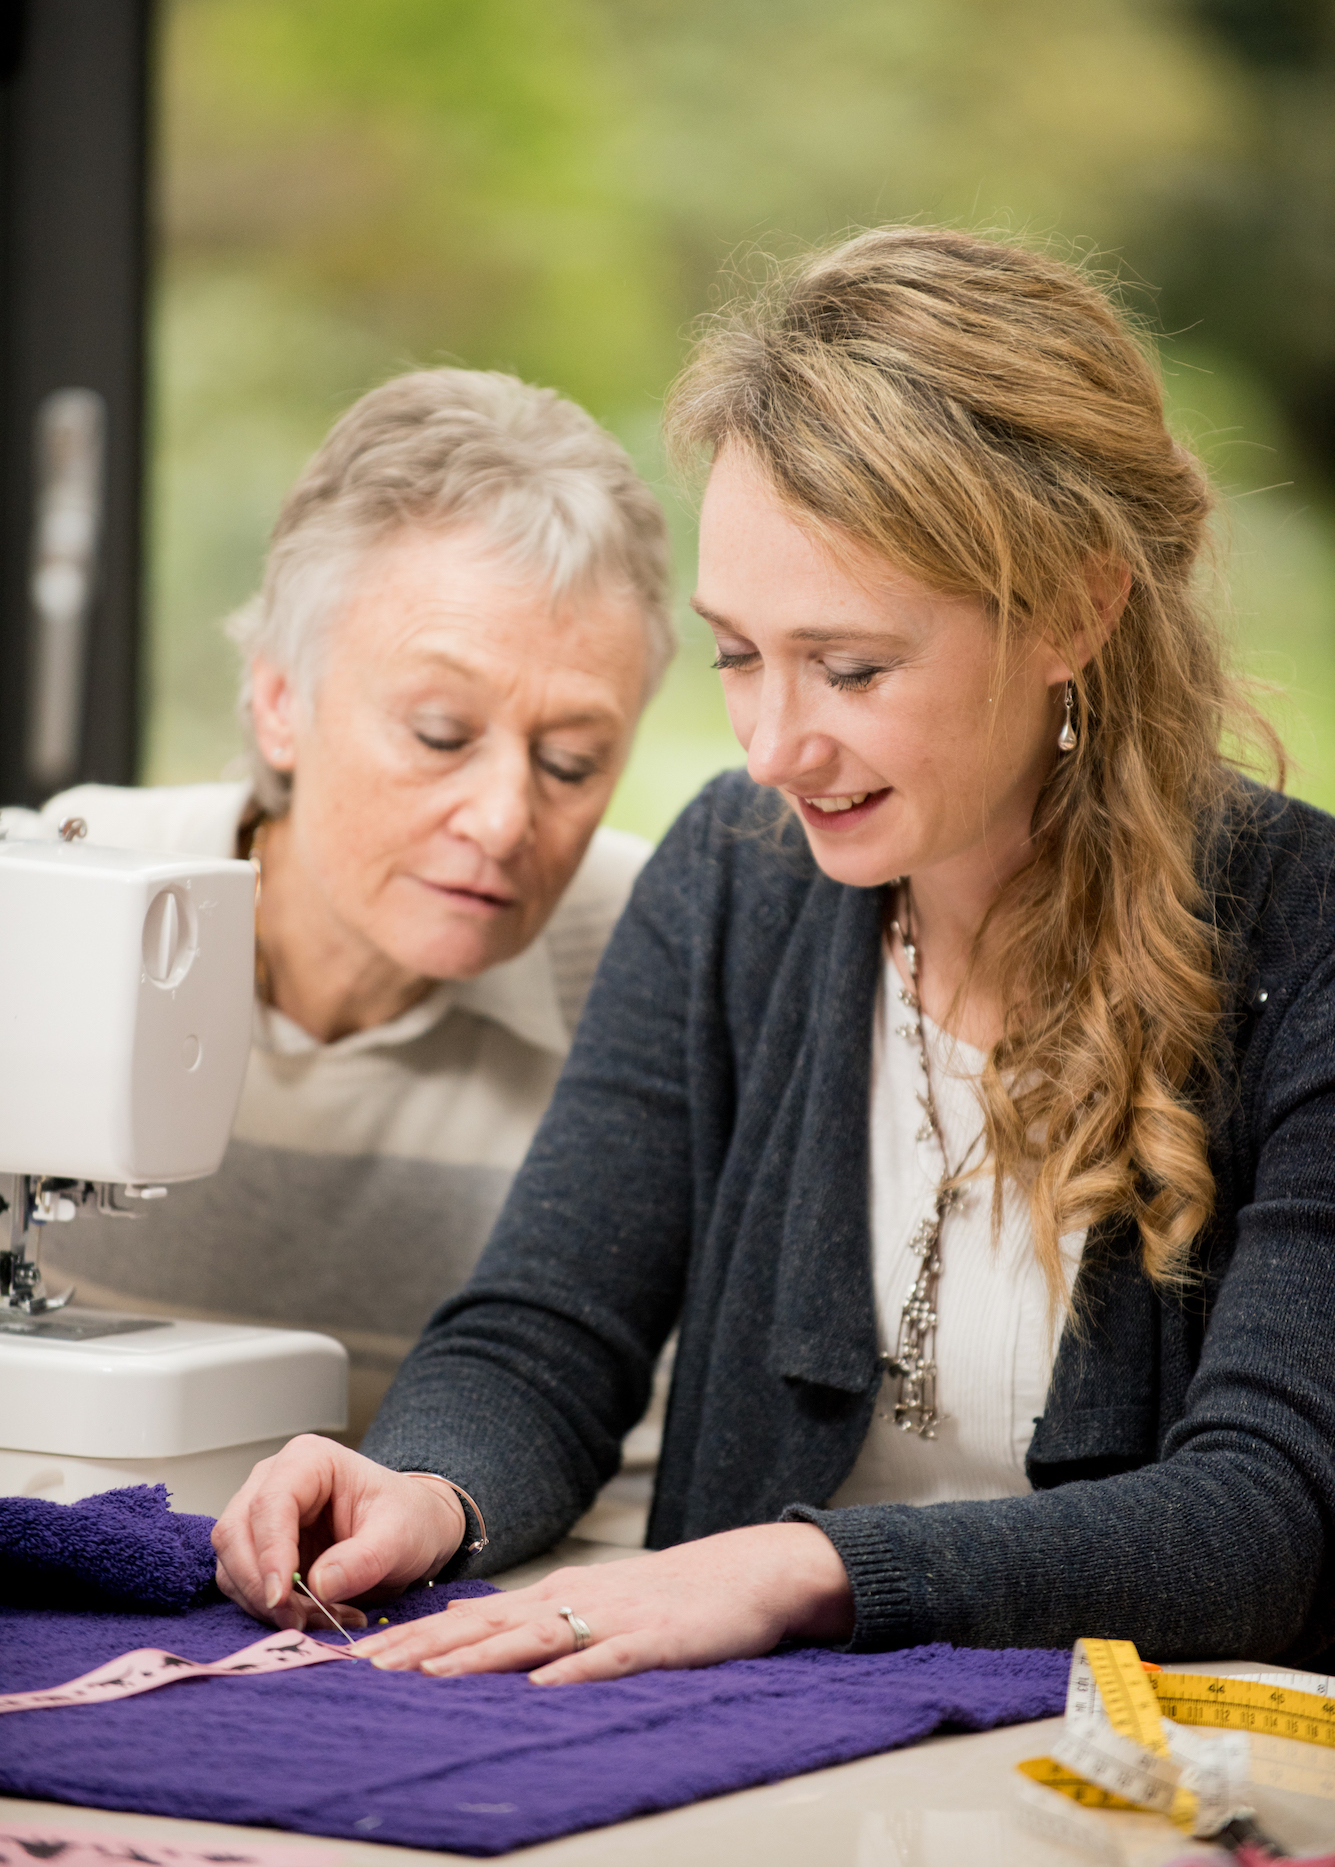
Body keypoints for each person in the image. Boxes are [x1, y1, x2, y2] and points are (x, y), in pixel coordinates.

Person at [211, 227, 1335, 1682]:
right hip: (759, 1770)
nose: (772, 746)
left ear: (1073, 608)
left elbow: (1257, 1524)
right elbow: (546, 1328)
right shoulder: (732, 875)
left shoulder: (1301, 937)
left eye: (851, 667)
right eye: (738, 653)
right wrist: (426, 1488)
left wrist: (800, 1572)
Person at [19, 368, 672, 1440]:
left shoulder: (649, 960)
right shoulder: (81, 885)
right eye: (439, 735)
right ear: (281, 700)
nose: (505, 819)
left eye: (570, 761)